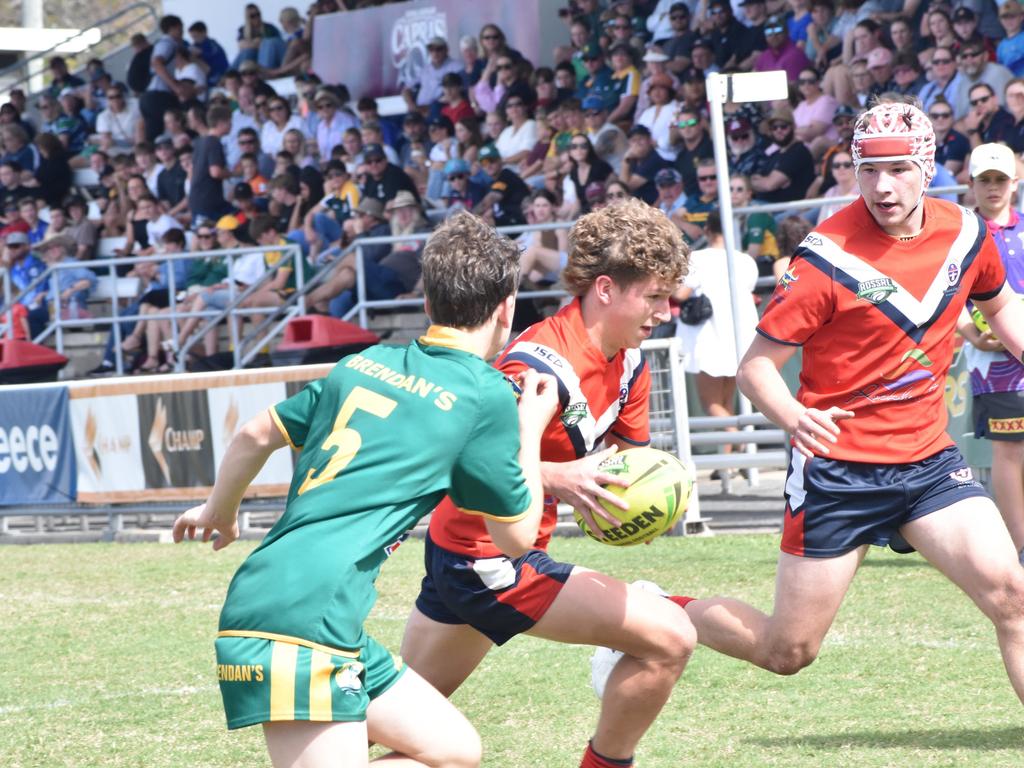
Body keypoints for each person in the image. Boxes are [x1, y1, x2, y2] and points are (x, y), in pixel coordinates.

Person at [598, 100, 1024, 710]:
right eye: (868, 170)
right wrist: (797, 418)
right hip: (837, 470)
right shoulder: (824, 258)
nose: (882, 185)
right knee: (787, 652)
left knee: (1013, 594)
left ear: (927, 168)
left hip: (929, 464)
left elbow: (1002, 304)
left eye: (899, 169)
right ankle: (656, 609)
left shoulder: (964, 232)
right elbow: (754, 369)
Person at [173, 209, 558, 768]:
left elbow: (254, 434)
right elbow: (519, 537)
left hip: (307, 610)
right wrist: (531, 426)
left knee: (452, 750)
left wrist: (220, 511)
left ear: (427, 304)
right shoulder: (485, 392)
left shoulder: (366, 362)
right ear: (507, 309)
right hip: (302, 620)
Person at [400, 198, 695, 768]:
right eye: (654, 296)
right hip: (486, 559)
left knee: (405, 725)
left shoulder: (631, 361)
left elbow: (624, 469)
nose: (665, 310)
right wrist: (561, 476)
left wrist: (641, 504)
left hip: (476, 556)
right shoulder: (535, 366)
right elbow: (464, 464)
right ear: (605, 289)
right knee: (671, 637)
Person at [957, 142, 1024, 563]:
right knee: (1010, 449)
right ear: (972, 184)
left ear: (1015, 183)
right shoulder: (963, 234)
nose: (994, 188)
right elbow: (948, 297)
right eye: (986, 180)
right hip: (993, 363)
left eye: (1001, 179)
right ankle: (1020, 547)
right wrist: (970, 332)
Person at [674, 210, 759, 466]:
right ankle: (730, 461)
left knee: (710, 402)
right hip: (738, 335)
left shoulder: (698, 259)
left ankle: (736, 441)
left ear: (708, 231)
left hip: (708, 337)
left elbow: (680, 294)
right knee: (725, 402)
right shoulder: (745, 260)